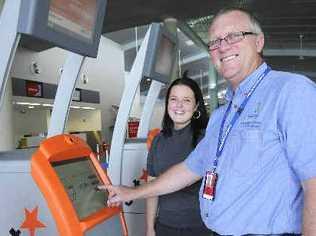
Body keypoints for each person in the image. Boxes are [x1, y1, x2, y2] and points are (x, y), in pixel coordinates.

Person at [99, 7, 316, 235]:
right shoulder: (222, 116)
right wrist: (131, 193)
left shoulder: (291, 92)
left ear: (259, 42)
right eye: (214, 42)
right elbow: (189, 168)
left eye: (234, 36)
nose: (223, 46)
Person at [145, 73, 210, 236]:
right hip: (165, 226)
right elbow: (151, 189)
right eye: (174, 99)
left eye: (186, 100)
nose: (179, 105)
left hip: (200, 228)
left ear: (196, 107)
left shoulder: (206, 139)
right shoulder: (158, 141)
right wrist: (149, 228)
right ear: (167, 104)